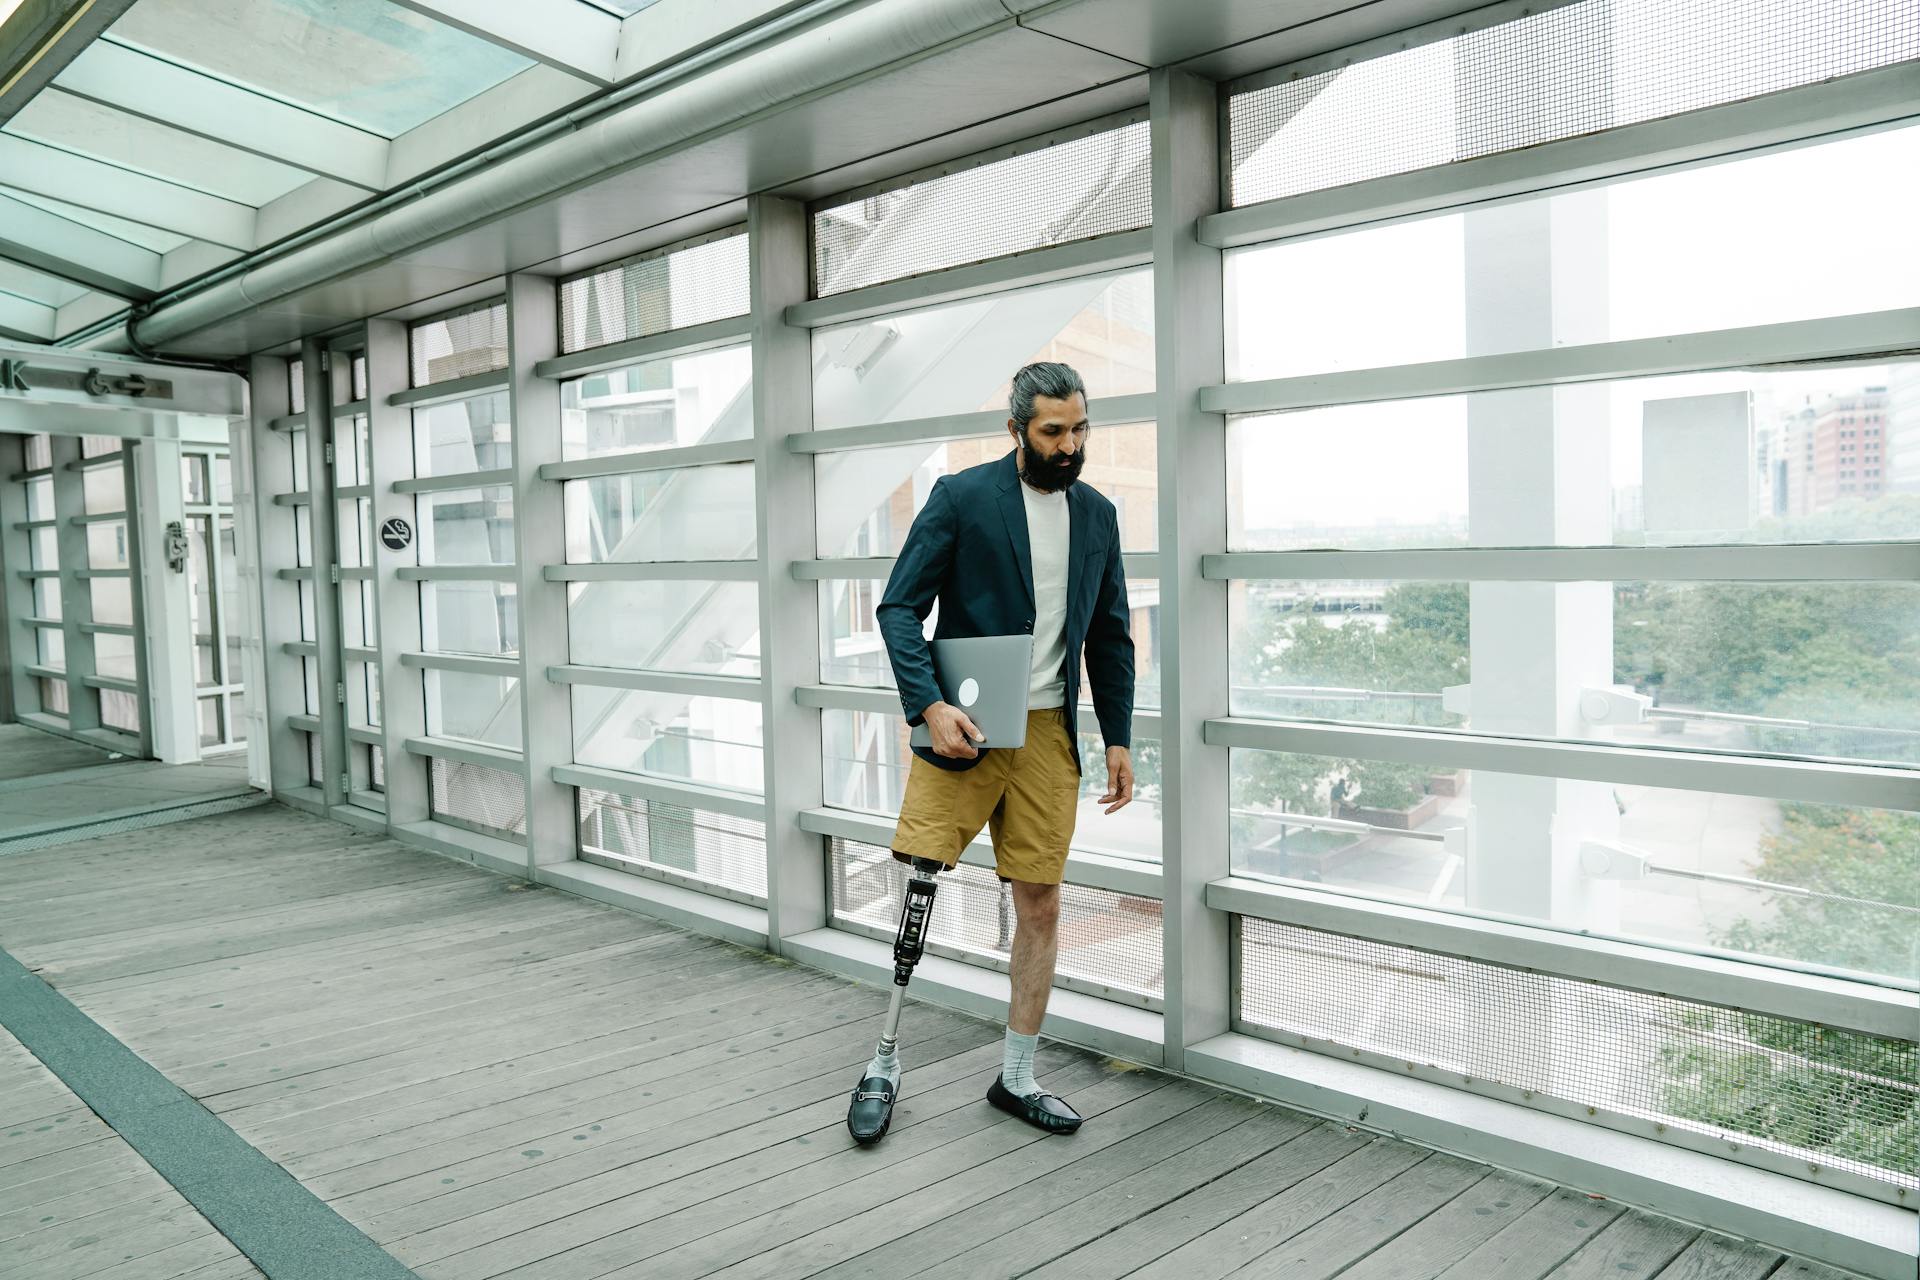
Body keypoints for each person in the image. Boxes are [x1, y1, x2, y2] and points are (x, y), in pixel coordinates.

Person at [849, 360, 1135, 1138]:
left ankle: (1016, 1078)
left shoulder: (1099, 516)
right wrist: (929, 704)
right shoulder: (962, 498)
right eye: (1053, 431)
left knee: (1040, 901)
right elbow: (899, 606)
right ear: (1017, 429)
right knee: (921, 882)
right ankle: (884, 1056)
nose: (1070, 445)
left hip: (1048, 732)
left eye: (1079, 429)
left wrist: (1118, 736)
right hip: (969, 721)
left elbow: (1110, 636)